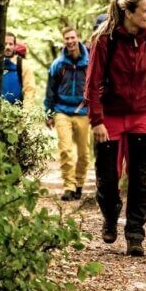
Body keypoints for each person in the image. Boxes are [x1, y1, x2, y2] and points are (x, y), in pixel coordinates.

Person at [84, 0, 146, 257]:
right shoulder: (104, 41)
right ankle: (110, 216)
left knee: (139, 179)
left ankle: (135, 234)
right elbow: (92, 83)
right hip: (109, 117)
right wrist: (96, 120)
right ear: (128, 13)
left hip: (142, 115)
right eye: (144, 10)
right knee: (108, 178)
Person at [44, 27, 91, 202]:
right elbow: (50, 91)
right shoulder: (58, 65)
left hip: (83, 111)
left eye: (72, 38)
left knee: (84, 152)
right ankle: (69, 186)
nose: (70, 41)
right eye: (66, 39)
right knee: (65, 149)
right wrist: (48, 113)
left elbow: (96, 87)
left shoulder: (89, 63)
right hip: (62, 110)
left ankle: (79, 183)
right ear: (63, 41)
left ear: (77, 38)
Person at [1, 32, 36, 107]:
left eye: (10, 44)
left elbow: (29, 90)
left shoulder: (23, 64)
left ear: (14, 46)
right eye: (5, 44)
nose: (8, 47)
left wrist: (26, 113)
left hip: (17, 111)